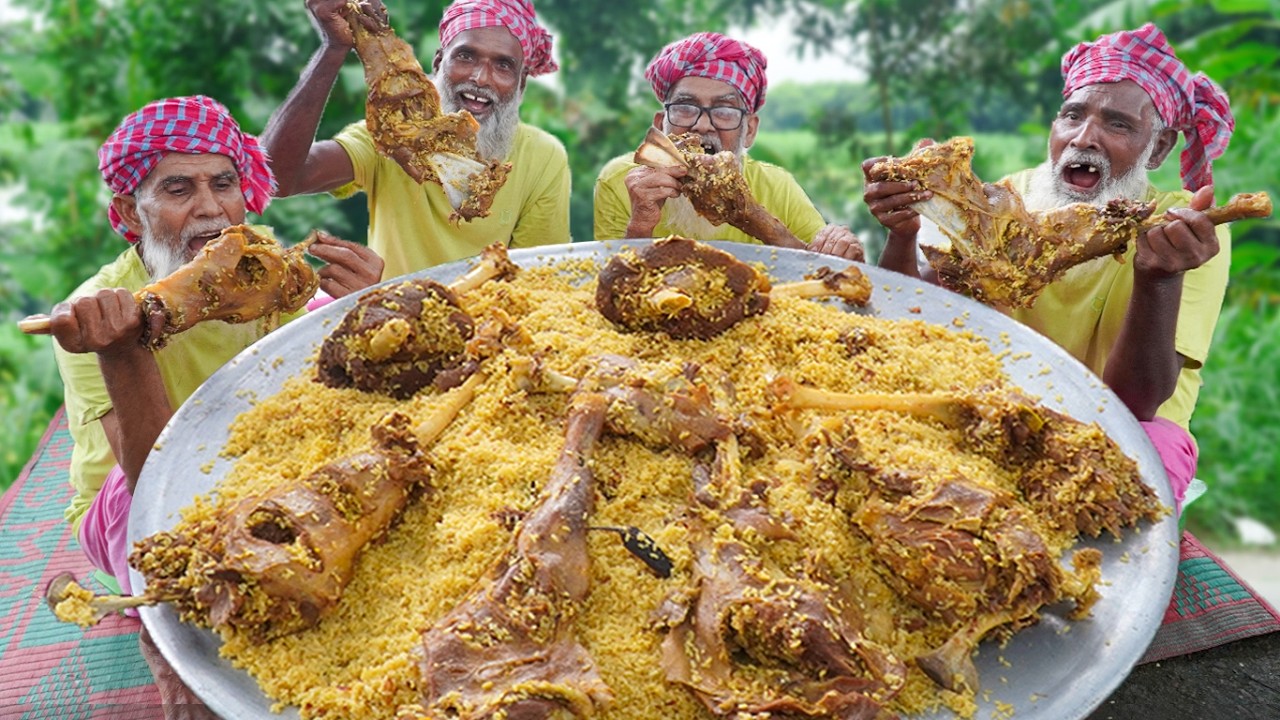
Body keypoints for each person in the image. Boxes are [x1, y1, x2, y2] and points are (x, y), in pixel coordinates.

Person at [864, 24, 1234, 512]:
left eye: (1118, 124)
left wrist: (1158, 277)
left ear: (1160, 148)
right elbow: (913, 322)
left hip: (1127, 428)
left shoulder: (1184, 229)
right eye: (1072, 115)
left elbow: (1136, 402)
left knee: (1123, 487)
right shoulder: (1009, 200)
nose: (1085, 138)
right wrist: (904, 233)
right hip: (1004, 407)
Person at [49, 95, 383, 602]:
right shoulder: (92, 317)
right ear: (130, 213)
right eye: (178, 189)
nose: (210, 208)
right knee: (190, 569)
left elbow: (309, 391)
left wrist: (363, 307)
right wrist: (121, 353)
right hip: (137, 491)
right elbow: (153, 479)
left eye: (224, 184)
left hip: (252, 450)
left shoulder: (257, 260)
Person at [262, 0, 571, 279]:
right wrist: (334, 49)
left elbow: (537, 275)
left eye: (503, 65)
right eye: (466, 56)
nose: (480, 77)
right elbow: (275, 178)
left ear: (521, 86)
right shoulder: (391, 137)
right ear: (438, 64)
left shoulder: (543, 157)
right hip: (390, 319)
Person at [594, 31, 864, 261]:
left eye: (724, 111)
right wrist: (640, 225)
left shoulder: (777, 187)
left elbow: (822, 269)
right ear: (660, 124)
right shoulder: (619, 181)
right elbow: (608, 287)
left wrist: (838, 248)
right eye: (686, 108)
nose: (702, 125)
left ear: (749, 131)